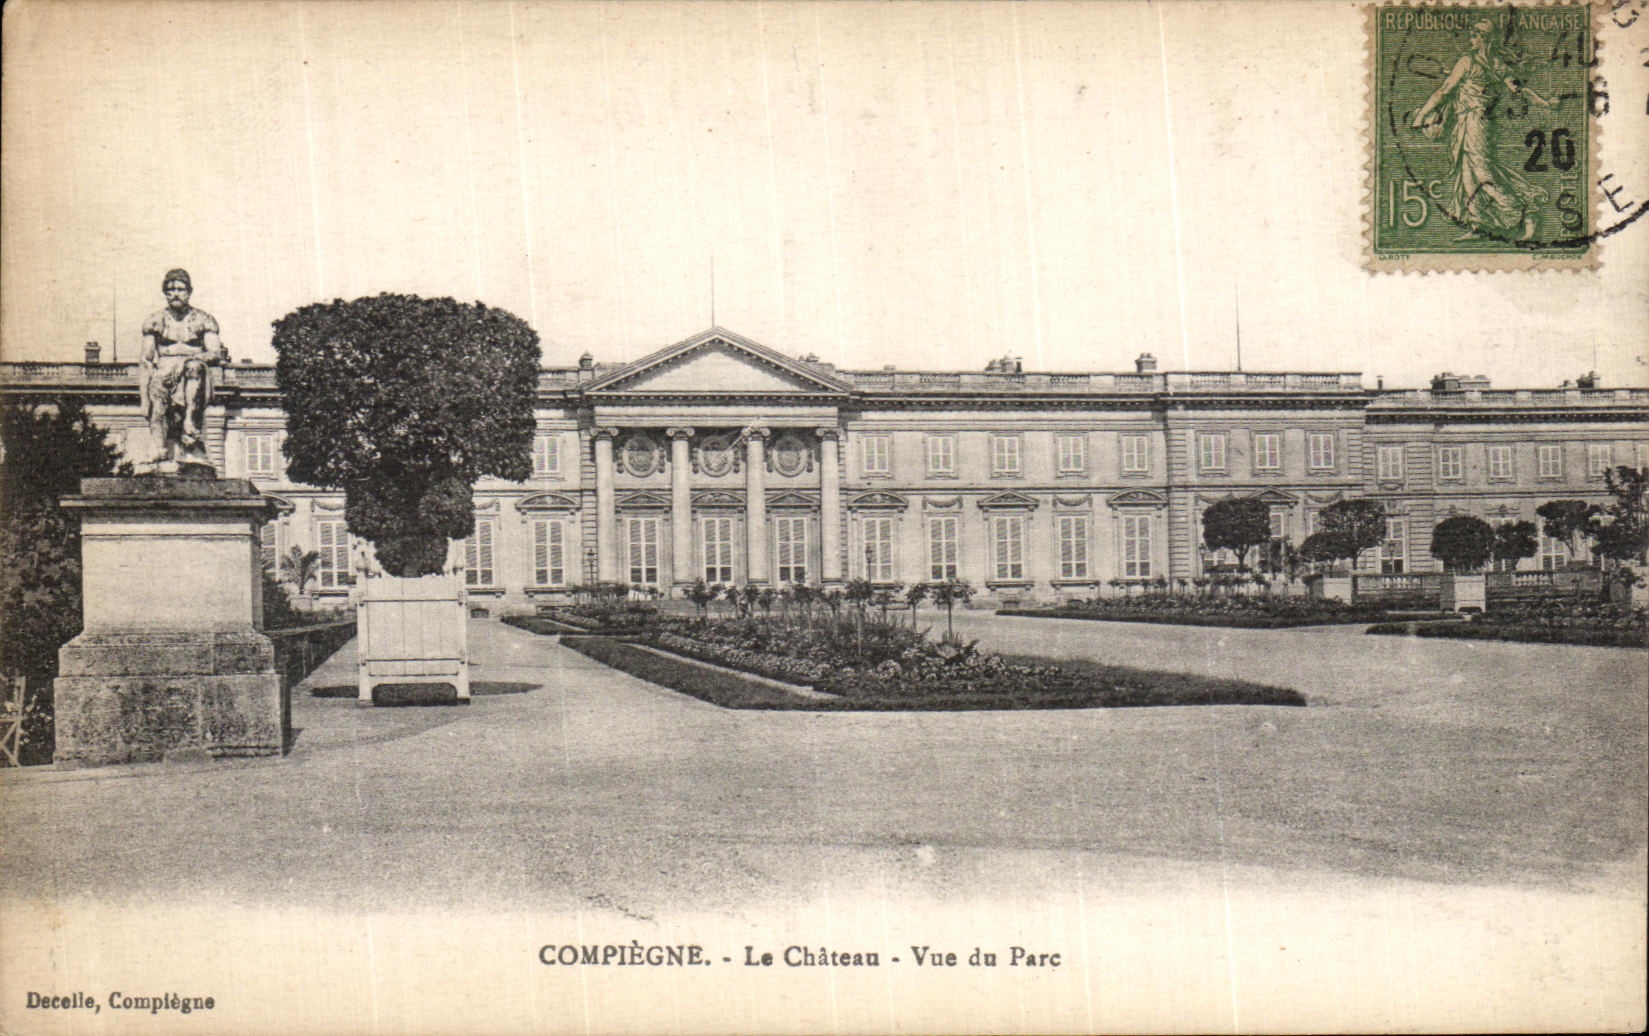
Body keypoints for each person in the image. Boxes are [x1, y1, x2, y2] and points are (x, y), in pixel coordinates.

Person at [1411, 19, 1552, 242]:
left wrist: (1420, 115)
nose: (1471, 40)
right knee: (1467, 172)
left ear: (1485, 38)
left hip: (1475, 122)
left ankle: (1525, 212)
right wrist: (1543, 102)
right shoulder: (1497, 64)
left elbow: (1445, 89)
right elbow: (1518, 88)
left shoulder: (1467, 61)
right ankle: (1479, 224)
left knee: (1483, 171)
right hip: (1469, 121)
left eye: (1475, 36)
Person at [137, 268, 227, 471]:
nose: (175, 293)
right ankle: (160, 450)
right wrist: (144, 399)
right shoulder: (155, 321)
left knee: (193, 368)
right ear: (165, 293)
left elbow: (214, 353)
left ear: (189, 291)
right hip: (163, 372)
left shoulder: (203, 320)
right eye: (170, 290)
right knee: (157, 396)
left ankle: (189, 427)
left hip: (193, 370)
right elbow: (146, 360)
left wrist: (185, 361)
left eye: (180, 289)